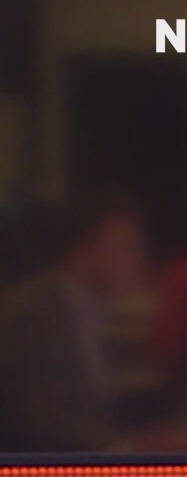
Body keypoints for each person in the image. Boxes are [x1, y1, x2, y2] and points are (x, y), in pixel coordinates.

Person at [0, 194, 150, 452]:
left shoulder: (85, 310)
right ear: (81, 252)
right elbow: (44, 425)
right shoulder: (34, 315)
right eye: (126, 247)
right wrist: (132, 449)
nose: (139, 260)